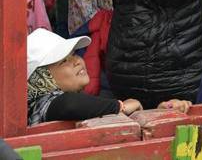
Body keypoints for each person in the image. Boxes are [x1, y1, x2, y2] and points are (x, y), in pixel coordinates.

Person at [27, 29, 191, 125]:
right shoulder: (39, 104)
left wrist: (157, 113)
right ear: (42, 76)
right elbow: (68, 105)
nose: (77, 61)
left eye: (74, 55)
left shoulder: (85, 102)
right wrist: (121, 107)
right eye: (64, 61)